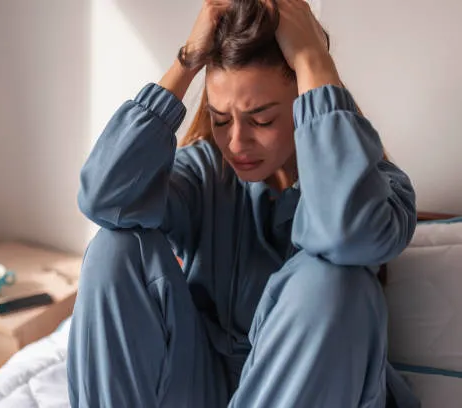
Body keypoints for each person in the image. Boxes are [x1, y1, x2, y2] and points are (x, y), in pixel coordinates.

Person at [68, 0, 420, 407]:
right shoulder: (205, 174)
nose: (236, 143)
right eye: (221, 120)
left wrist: (312, 59)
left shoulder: (377, 190)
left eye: (262, 120)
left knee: (332, 282)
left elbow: (345, 234)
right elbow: (104, 199)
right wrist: (186, 62)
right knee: (115, 248)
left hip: (311, 388)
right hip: (205, 384)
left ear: (303, 101)